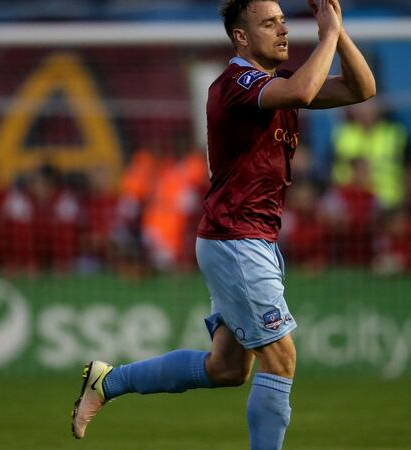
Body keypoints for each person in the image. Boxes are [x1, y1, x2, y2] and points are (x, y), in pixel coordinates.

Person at [71, 1, 375, 449]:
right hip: (237, 239)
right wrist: (326, 36)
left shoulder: (274, 86)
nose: (283, 30)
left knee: (228, 369)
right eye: (269, 24)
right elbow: (303, 94)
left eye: (284, 22)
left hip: (248, 239)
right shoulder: (236, 83)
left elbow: (362, 88)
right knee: (282, 357)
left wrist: (337, 31)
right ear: (242, 37)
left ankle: (107, 382)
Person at [330, 97, 408, 210]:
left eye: (369, 103)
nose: (365, 110)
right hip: (349, 203)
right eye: (360, 104)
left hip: (388, 202)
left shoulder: (395, 133)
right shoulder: (342, 134)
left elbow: (410, 169)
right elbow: (332, 170)